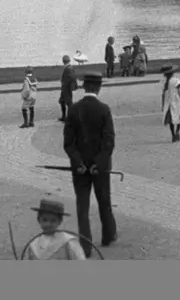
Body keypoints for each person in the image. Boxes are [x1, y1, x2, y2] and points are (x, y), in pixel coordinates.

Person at [63, 73, 117, 255]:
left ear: (84, 87)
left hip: (79, 168)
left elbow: (68, 143)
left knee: (82, 206)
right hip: (100, 167)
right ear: (98, 88)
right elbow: (108, 141)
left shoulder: (73, 109)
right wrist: (98, 163)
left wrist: (78, 162)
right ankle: (108, 235)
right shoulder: (104, 109)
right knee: (104, 201)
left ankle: (85, 246)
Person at [160, 65, 180, 142]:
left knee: (171, 120)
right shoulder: (176, 80)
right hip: (176, 101)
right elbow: (179, 92)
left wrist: (162, 105)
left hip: (168, 103)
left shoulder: (163, 82)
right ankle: (177, 131)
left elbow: (162, 94)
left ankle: (173, 135)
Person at [58, 55, 76, 122]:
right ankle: (64, 116)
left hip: (67, 88)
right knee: (62, 101)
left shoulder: (69, 68)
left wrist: (67, 84)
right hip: (65, 88)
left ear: (63, 61)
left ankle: (71, 117)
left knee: (69, 103)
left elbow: (72, 78)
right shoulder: (67, 67)